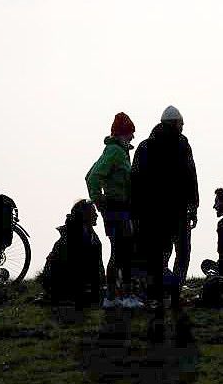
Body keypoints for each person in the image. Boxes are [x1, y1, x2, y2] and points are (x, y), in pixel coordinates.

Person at [131, 105, 199, 341]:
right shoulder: (181, 144)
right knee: (181, 253)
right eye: (181, 123)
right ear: (176, 123)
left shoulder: (145, 146)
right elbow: (192, 175)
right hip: (175, 212)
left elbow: (135, 182)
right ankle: (174, 293)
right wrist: (194, 206)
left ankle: (160, 300)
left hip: (152, 215)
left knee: (158, 258)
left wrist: (136, 214)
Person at [85, 112, 141, 309]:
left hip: (119, 207)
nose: (133, 137)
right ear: (121, 134)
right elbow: (92, 177)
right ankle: (124, 296)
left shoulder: (117, 151)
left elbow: (90, 174)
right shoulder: (114, 152)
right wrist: (98, 201)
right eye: (130, 133)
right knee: (123, 250)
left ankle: (112, 296)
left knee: (119, 251)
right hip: (116, 207)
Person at [40, 200, 105, 309]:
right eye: (93, 212)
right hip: (64, 284)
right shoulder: (75, 235)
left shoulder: (89, 234)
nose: (97, 215)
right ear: (84, 215)